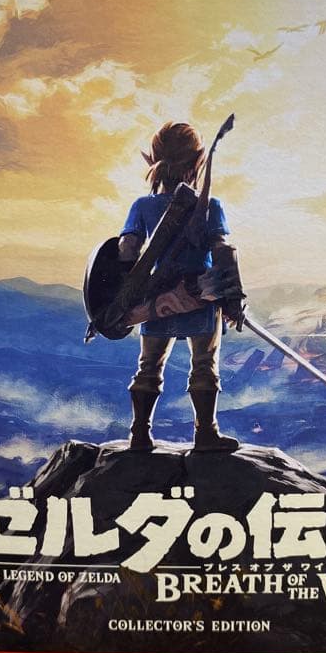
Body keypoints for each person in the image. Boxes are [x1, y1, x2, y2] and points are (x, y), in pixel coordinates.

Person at [118, 121, 244, 453]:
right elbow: (222, 250)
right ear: (197, 162)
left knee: (149, 367)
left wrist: (124, 290)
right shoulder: (211, 206)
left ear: (154, 160)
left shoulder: (143, 206)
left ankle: (140, 434)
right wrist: (233, 299)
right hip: (201, 297)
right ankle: (206, 434)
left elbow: (127, 250)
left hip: (156, 300)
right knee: (204, 366)